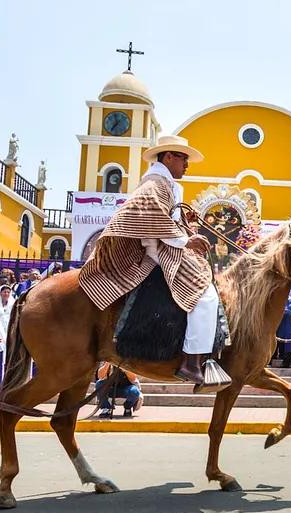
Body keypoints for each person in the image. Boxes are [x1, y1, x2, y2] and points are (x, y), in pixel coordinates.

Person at [78, 135, 217, 388]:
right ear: (168, 157)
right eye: (183, 158)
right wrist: (186, 241)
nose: (187, 165)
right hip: (158, 252)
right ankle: (192, 362)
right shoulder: (155, 184)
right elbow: (149, 216)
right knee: (205, 295)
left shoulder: (164, 184)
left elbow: (161, 218)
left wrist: (186, 224)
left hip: (166, 248)